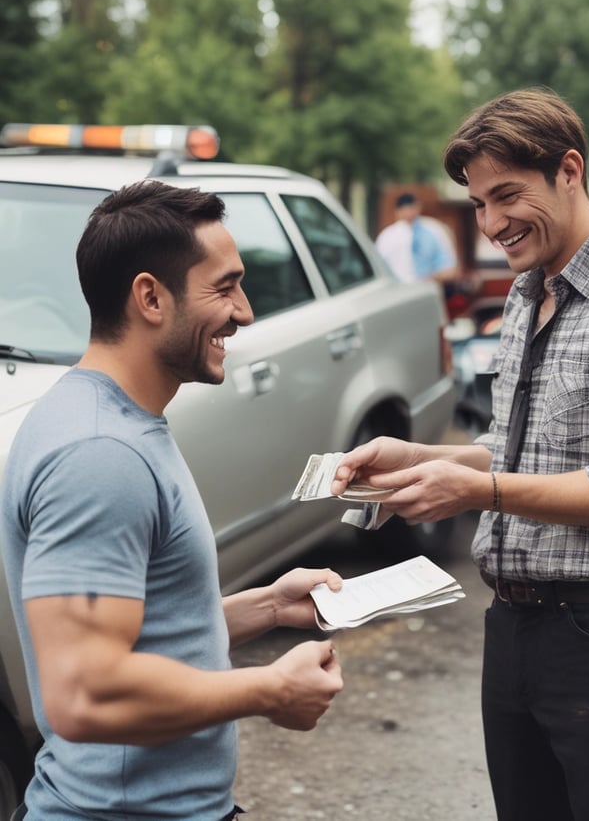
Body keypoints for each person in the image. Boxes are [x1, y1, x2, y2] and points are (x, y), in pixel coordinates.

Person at [332, 88, 589, 821]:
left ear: (568, 170)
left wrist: (479, 493)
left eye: (506, 196)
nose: (490, 224)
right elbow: (518, 451)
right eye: (478, 204)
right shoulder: (526, 291)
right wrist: (419, 458)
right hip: (512, 628)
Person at [0, 181, 344, 821]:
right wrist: (270, 689)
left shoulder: (110, 420)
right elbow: (85, 695)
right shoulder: (100, 454)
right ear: (150, 297)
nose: (243, 312)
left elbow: (144, 632)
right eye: (224, 287)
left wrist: (268, 605)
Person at [374, 192, 458, 284]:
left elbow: (449, 269)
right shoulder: (387, 236)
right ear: (397, 211)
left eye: (411, 208)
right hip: (397, 289)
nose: (409, 212)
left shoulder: (433, 230)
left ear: (418, 207)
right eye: (405, 209)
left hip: (426, 288)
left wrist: (429, 278)